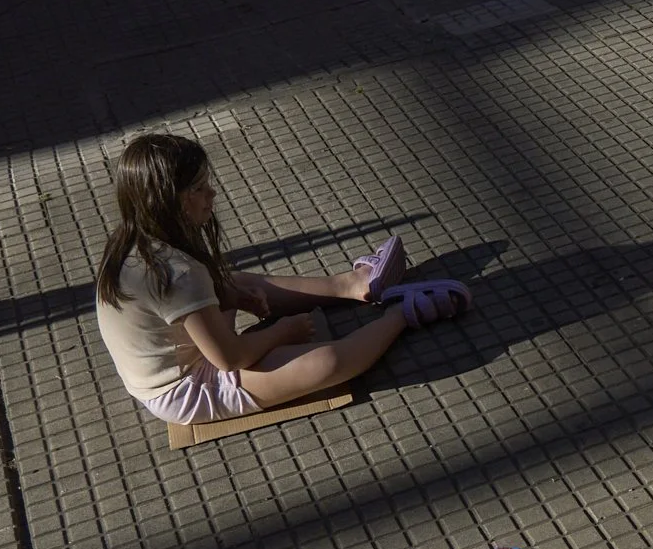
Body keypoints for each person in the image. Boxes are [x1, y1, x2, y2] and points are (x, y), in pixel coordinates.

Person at [92, 133, 468, 427]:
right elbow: (229, 358)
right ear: (168, 201)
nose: (212, 193)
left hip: (178, 358)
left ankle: (356, 286)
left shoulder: (133, 242)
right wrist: (280, 332)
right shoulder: (176, 273)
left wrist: (235, 297)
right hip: (186, 389)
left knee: (229, 281)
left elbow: (192, 302)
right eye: (199, 188)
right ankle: (400, 315)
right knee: (328, 364)